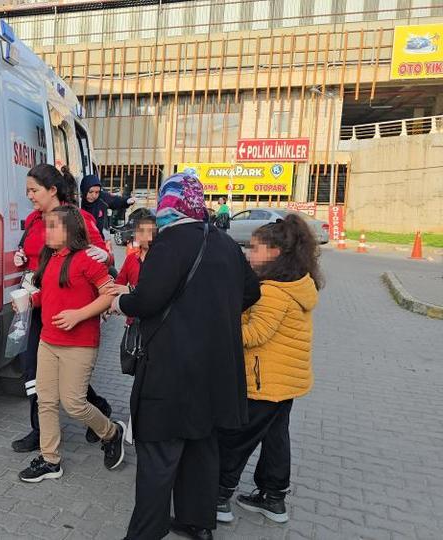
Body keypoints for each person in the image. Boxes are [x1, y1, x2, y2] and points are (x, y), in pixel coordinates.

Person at [113, 172, 260, 540]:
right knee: (202, 448)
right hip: (216, 369)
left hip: (172, 371)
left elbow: (147, 300)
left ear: (170, 202)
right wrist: (213, 313)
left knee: (159, 454)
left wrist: (119, 301)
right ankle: (197, 524)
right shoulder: (224, 242)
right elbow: (251, 293)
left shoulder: (170, 243)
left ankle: (145, 533)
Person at [216, 214, 321, 525]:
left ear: (275, 253)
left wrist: (222, 323)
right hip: (287, 381)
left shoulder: (273, 291)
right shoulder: (298, 284)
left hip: (264, 383)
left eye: (255, 248)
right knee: (276, 439)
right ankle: (273, 498)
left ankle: (218, 496)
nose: (250, 254)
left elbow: (254, 335)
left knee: (236, 438)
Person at [17, 205, 126, 483]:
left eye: (53, 226)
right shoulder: (51, 258)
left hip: (79, 344)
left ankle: (111, 432)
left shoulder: (86, 260)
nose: (46, 232)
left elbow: (109, 293)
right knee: (46, 401)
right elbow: (51, 294)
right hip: (48, 342)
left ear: (70, 231)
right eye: (46, 226)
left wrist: (79, 315)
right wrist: (30, 301)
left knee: (74, 403)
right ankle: (50, 460)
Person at [11, 164, 112, 454]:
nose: (29, 196)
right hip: (37, 299)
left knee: (68, 381)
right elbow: (33, 253)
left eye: (34, 190)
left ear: (52, 190)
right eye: (27, 190)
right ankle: (40, 432)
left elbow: (98, 256)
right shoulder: (33, 220)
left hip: (68, 306)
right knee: (33, 369)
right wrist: (21, 257)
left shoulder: (76, 219)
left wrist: (104, 256)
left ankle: (98, 410)